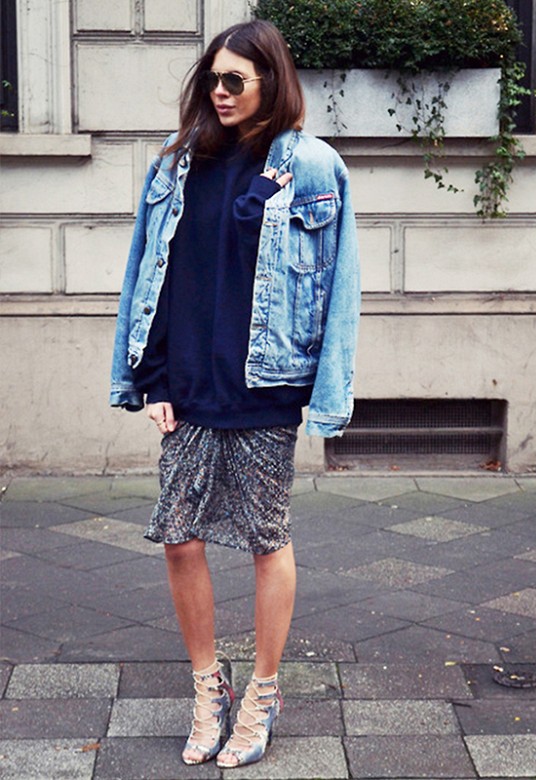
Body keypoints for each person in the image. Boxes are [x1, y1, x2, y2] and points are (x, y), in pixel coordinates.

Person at [110, 19, 360, 769]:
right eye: (211, 80)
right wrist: (148, 377)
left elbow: (339, 288)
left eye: (234, 81)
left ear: (270, 83)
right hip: (186, 382)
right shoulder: (177, 161)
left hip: (265, 382)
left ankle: (263, 692)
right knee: (179, 535)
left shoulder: (312, 167)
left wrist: (325, 392)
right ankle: (206, 687)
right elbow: (150, 271)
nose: (218, 93)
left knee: (264, 537)